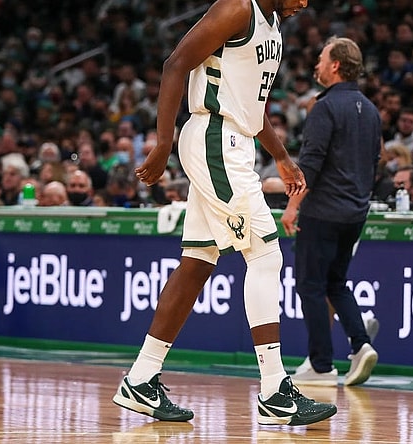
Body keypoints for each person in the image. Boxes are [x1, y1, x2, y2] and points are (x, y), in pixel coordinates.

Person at [113, 0, 337, 427]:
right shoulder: (236, 7)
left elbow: (252, 108)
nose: (305, 3)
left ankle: (141, 379)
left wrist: (283, 157)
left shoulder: (272, 25)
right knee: (266, 255)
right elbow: (175, 63)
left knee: (197, 263)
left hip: (234, 140)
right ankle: (275, 391)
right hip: (215, 137)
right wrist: (162, 141)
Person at [280, 37, 381, 387]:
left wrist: (293, 206)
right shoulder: (370, 109)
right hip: (355, 212)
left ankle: (321, 365)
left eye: (322, 59)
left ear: (336, 65)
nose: (316, 66)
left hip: (322, 211)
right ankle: (361, 344)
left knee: (310, 285)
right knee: (336, 283)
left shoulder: (323, 107)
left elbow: (309, 166)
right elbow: (373, 164)